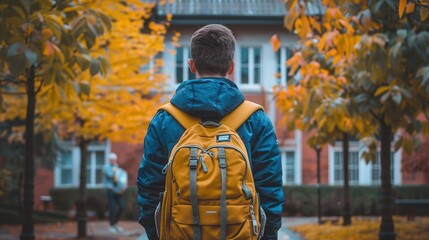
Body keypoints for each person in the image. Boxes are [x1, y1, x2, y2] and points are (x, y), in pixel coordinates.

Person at [137, 24, 284, 239]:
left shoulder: (164, 119)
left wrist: (157, 233)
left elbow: (149, 190)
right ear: (232, 66)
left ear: (191, 65)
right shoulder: (256, 119)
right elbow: (270, 191)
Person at [103, 152, 128, 233]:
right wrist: (116, 171)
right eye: (111, 159)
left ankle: (115, 224)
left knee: (122, 206)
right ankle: (111, 225)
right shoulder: (106, 167)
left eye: (114, 159)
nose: (112, 161)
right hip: (110, 189)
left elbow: (120, 178)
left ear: (116, 160)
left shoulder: (117, 167)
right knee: (112, 207)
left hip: (118, 190)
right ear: (109, 160)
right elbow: (111, 175)